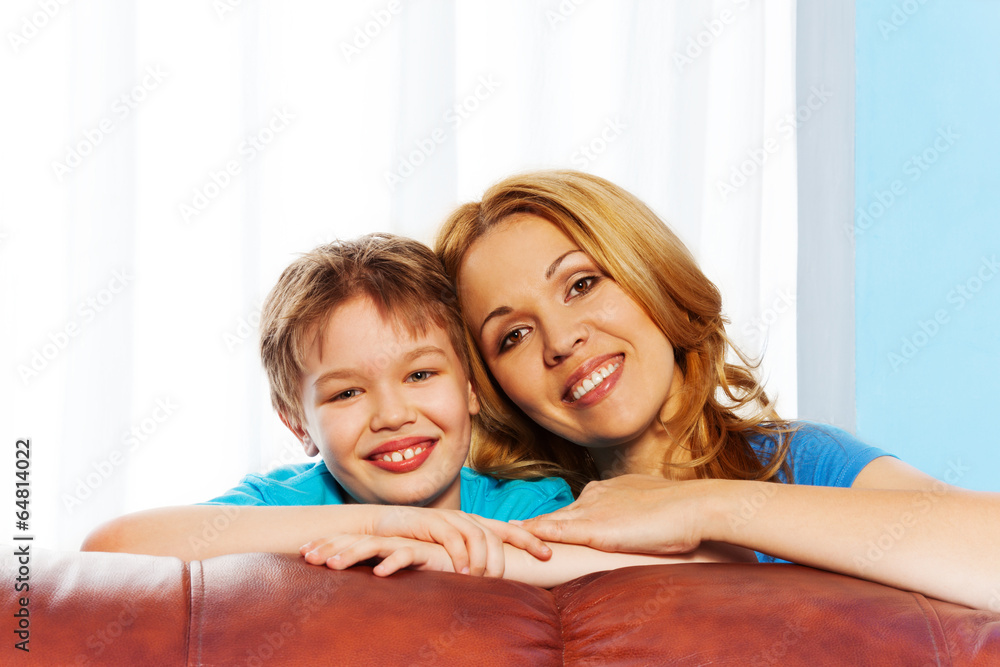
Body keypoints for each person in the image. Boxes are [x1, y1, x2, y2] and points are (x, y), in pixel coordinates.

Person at [435, 169, 1000, 610]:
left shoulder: (799, 462)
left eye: (581, 284)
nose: (560, 341)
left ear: (651, 276)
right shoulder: (514, 513)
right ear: (489, 388)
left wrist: (696, 507)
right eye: (513, 335)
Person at [82, 233, 750, 587]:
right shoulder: (289, 500)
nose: (393, 413)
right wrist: (387, 523)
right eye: (346, 392)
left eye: (422, 373)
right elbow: (111, 547)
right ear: (295, 420)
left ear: (471, 388)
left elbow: (704, 569)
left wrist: (455, 550)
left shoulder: (526, 503)